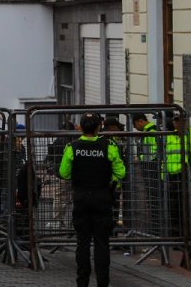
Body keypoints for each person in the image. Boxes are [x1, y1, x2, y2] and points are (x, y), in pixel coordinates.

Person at [59, 112, 125, 287]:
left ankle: (82, 283)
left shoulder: (72, 147)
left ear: (80, 127)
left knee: (82, 243)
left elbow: (64, 173)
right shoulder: (109, 146)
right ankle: (103, 283)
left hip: (81, 198)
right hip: (102, 197)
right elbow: (121, 172)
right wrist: (110, 180)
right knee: (102, 243)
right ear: (98, 127)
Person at [163, 114, 191, 253]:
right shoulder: (169, 136)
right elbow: (165, 158)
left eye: (180, 120)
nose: (177, 123)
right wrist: (164, 177)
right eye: (175, 120)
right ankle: (179, 241)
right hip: (172, 178)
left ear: (186, 121)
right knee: (175, 211)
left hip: (188, 178)